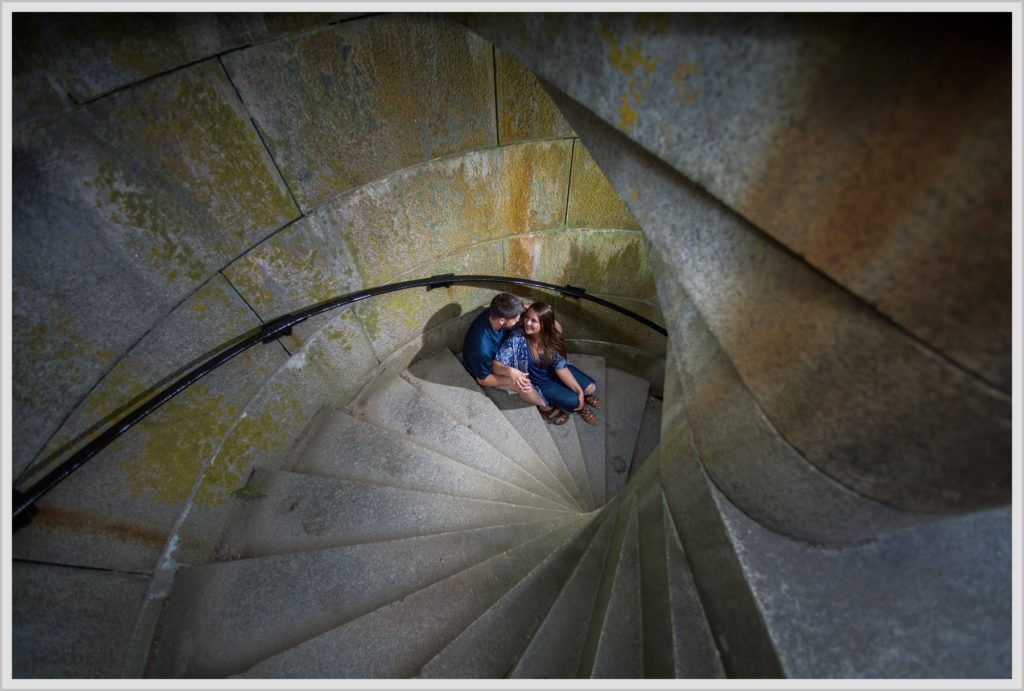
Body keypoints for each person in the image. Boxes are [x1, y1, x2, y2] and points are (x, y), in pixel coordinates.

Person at [495, 302, 601, 425]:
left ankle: (583, 396)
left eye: (534, 320)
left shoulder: (552, 337)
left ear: (544, 324)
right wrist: (510, 371)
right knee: (575, 401)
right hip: (541, 383)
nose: (527, 323)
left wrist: (580, 391)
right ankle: (579, 408)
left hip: (554, 371)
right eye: (527, 317)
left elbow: (560, 368)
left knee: (590, 388)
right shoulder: (516, 339)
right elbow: (496, 365)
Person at [462, 292, 532, 392]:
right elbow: (483, 380)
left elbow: (526, 308)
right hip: (485, 368)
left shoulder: (496, 311)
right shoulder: (482, 349)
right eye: (515, 319)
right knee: (523, 385)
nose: (519, 319)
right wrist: (510, 379)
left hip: (498, 352)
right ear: (502, 321)